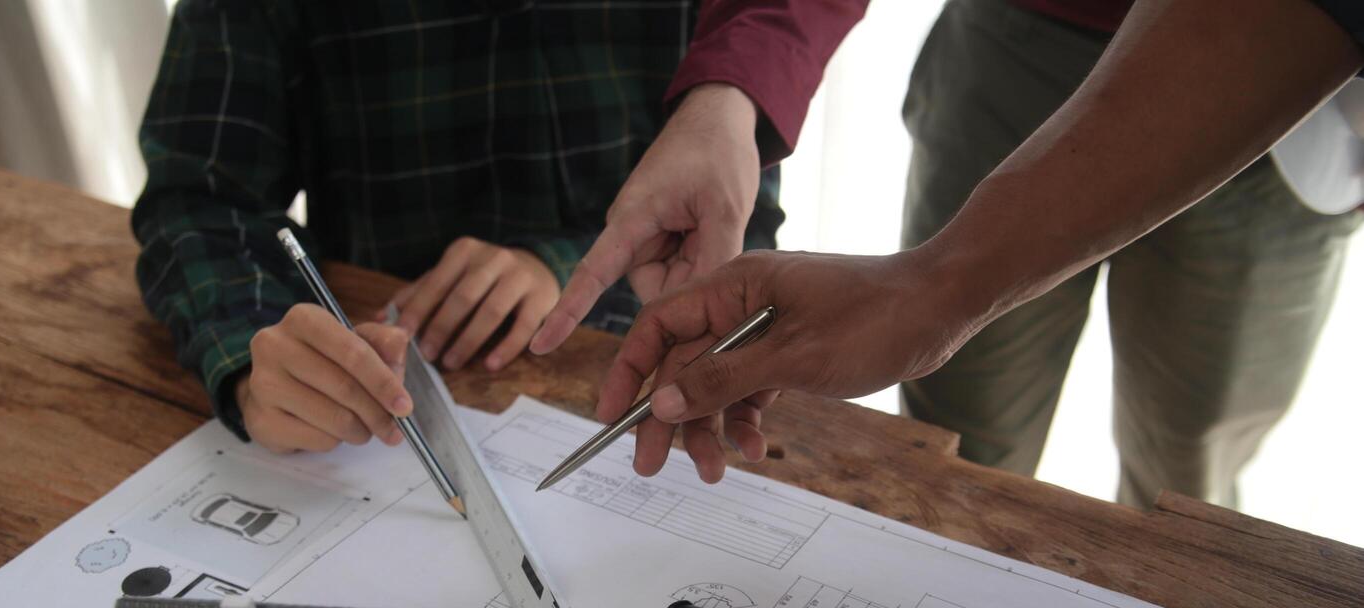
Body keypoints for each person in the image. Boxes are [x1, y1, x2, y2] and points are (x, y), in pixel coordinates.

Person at [536, 0, 1364, 505]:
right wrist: (732, 93)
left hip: (1293, 92)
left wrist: (931, 288)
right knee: (962, 425)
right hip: (1020, 30)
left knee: (1194, 449)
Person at [132, 0, 852, 453]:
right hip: (379, 372)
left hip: (634, 362)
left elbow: (736, 222)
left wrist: (574, 270)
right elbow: (199, 195)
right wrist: (248, 357)